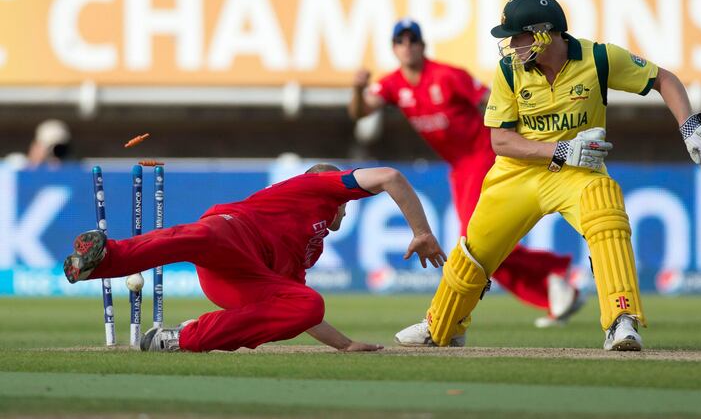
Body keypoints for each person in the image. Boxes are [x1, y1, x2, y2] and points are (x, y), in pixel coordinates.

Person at [396, 0, 701, 351]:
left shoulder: (598, 58)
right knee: (475, 249)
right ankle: (441, 325)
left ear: (542, 33)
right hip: (518, 172)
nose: (511, 45)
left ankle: (621, 320)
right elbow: (500, 142)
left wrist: (688, 125)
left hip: (578, 173)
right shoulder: (510, 71)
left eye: (517, 36)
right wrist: (560, 150)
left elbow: (663, 79)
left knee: (606, 217)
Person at [349, 19, 583, 343]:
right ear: (394, 48)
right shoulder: (393, 85)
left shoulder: (448, 75)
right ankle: (552, 287)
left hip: (481, 155)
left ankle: (456, 320)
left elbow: (491, 98)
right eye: (400, 41)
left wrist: (517, 135)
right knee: (482, 242)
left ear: (422, 44)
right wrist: (357, 88)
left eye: (412, 39)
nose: (407, 46)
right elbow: (360, 112)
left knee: (475, 241)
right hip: (458, 165)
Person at [63, 164, 447, 352]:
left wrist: (344, 345)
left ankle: (180, 338)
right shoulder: (319, 185)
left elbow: (292, 308)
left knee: (309, 304)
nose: (345, 212)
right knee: (196, 235)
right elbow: (391, 177)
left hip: (241, 280)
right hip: (232, 233)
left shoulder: (312, 246)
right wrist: (421, 232)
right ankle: (103, 258)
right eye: (344, 205)